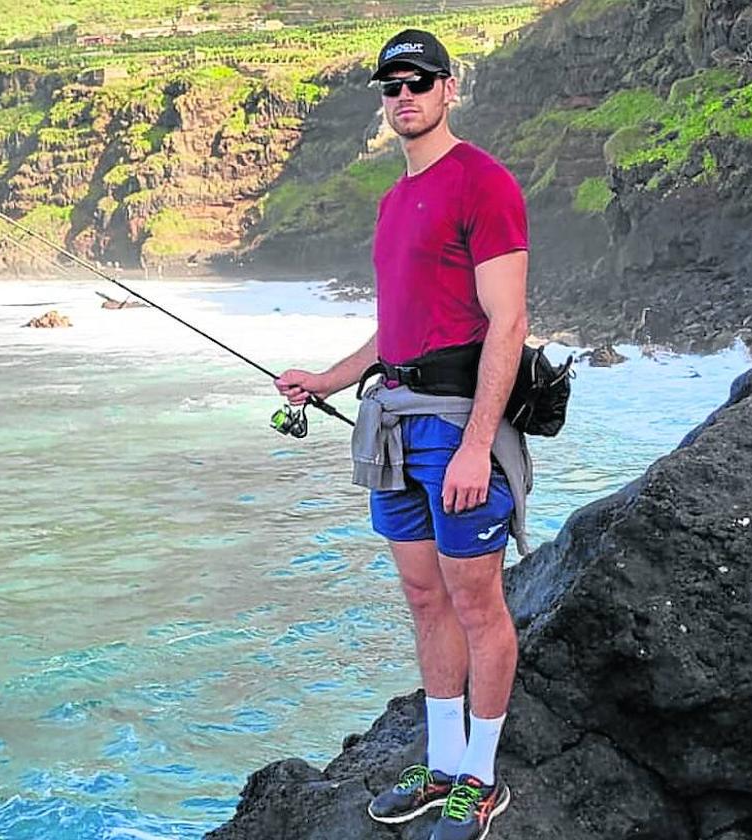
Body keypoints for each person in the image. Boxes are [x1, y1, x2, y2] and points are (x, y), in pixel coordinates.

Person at [276, 28, 529, 840]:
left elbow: (507, 322)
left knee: (476, 602)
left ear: (449, 89)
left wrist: (475, 444)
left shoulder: (483, 183)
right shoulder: (393, 201)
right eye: (392, 86)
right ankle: (443, 763)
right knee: (425, 598)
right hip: (392, 420)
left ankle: (481, 781)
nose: (405, 97)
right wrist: (327, 379)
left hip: (456, 426)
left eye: (419, 82)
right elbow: (395, 331)